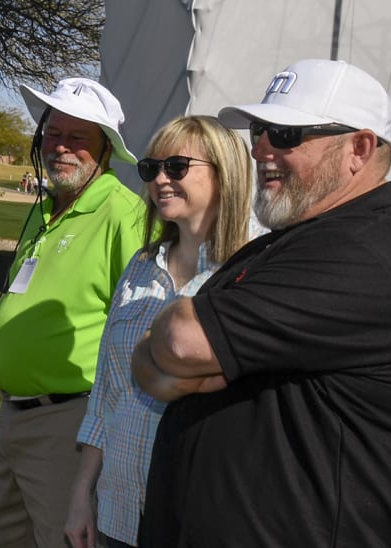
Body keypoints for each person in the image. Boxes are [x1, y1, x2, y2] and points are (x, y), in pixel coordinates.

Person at [134, 59, 391, 547]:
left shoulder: (373, 253)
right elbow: (156, 357)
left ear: (359, 148)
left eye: (286, 135)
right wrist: (176, 356)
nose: (261, 149)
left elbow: (180, 341)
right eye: (261, 131)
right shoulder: (291, 243)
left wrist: (177, 355)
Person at [64, 116, 253, 548]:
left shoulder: (251, 269)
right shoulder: (141, 266)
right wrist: (81, 494)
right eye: (152, 168)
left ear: (226, 173)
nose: (161, 179)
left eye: (178, 166)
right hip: (120, 510)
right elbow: (108, 388)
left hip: (199, 517)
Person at [0, 77, 147, 547]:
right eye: (53, 134)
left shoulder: (123, 214)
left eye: (78, 139)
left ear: (105, 151)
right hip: (13, 415)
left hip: (69, 424)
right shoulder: (45, 207)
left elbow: (141, 325)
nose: (61, 148)